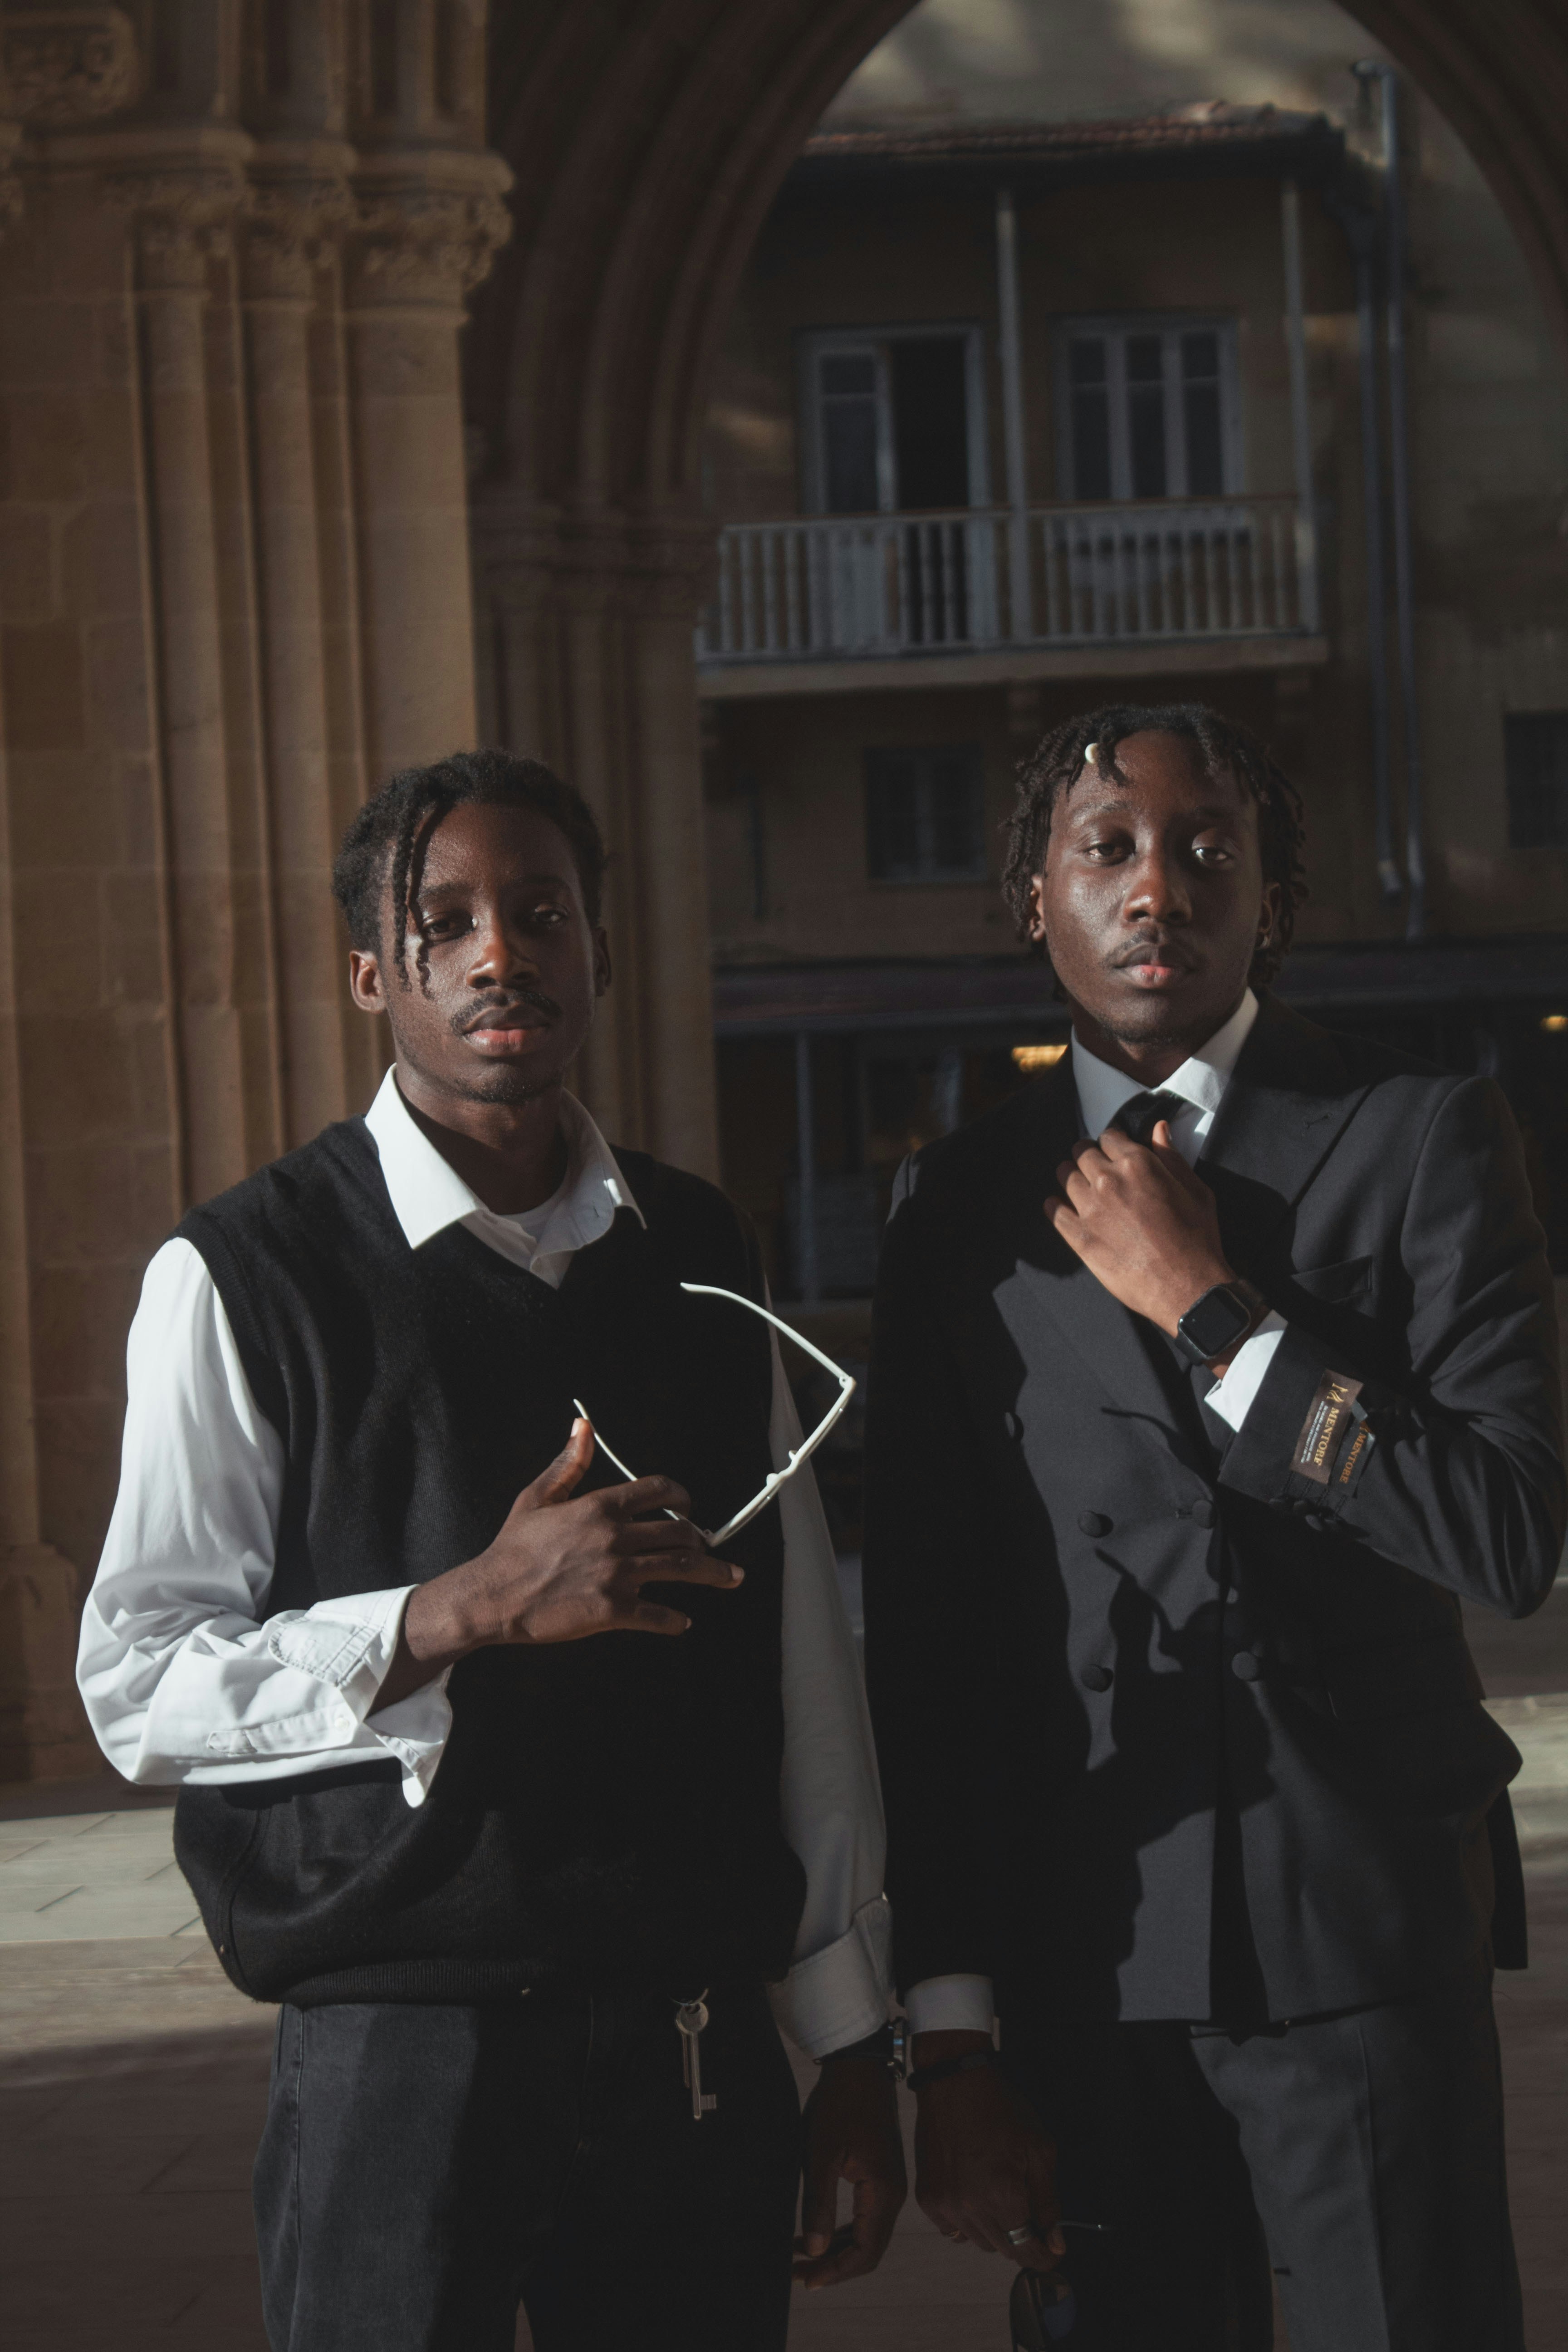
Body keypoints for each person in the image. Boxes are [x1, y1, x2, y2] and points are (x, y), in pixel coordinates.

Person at [78, 750, 905, 2352]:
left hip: (689, 2047)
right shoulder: (243, 1273)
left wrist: (850, 2038)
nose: (497, 954)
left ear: (602, 950)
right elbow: (136, 1683)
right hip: (403, 2047)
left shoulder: (697, 1252)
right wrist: (456, 1611)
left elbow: (797, 1674)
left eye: (540, 913)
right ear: (373, 971)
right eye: (444, 920)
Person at [862, 703, 1564, 2352]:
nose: (1156, 889)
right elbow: (934, 1646)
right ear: (1036, 897)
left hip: (1363, 1937)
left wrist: (1215, 1315)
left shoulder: (1422, 1140)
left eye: (1205, 849)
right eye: (1106, 850)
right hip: (1083, 1956)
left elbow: (1506, 1531)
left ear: (1273, 894)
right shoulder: (955, 1210)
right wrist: (950, 2034)